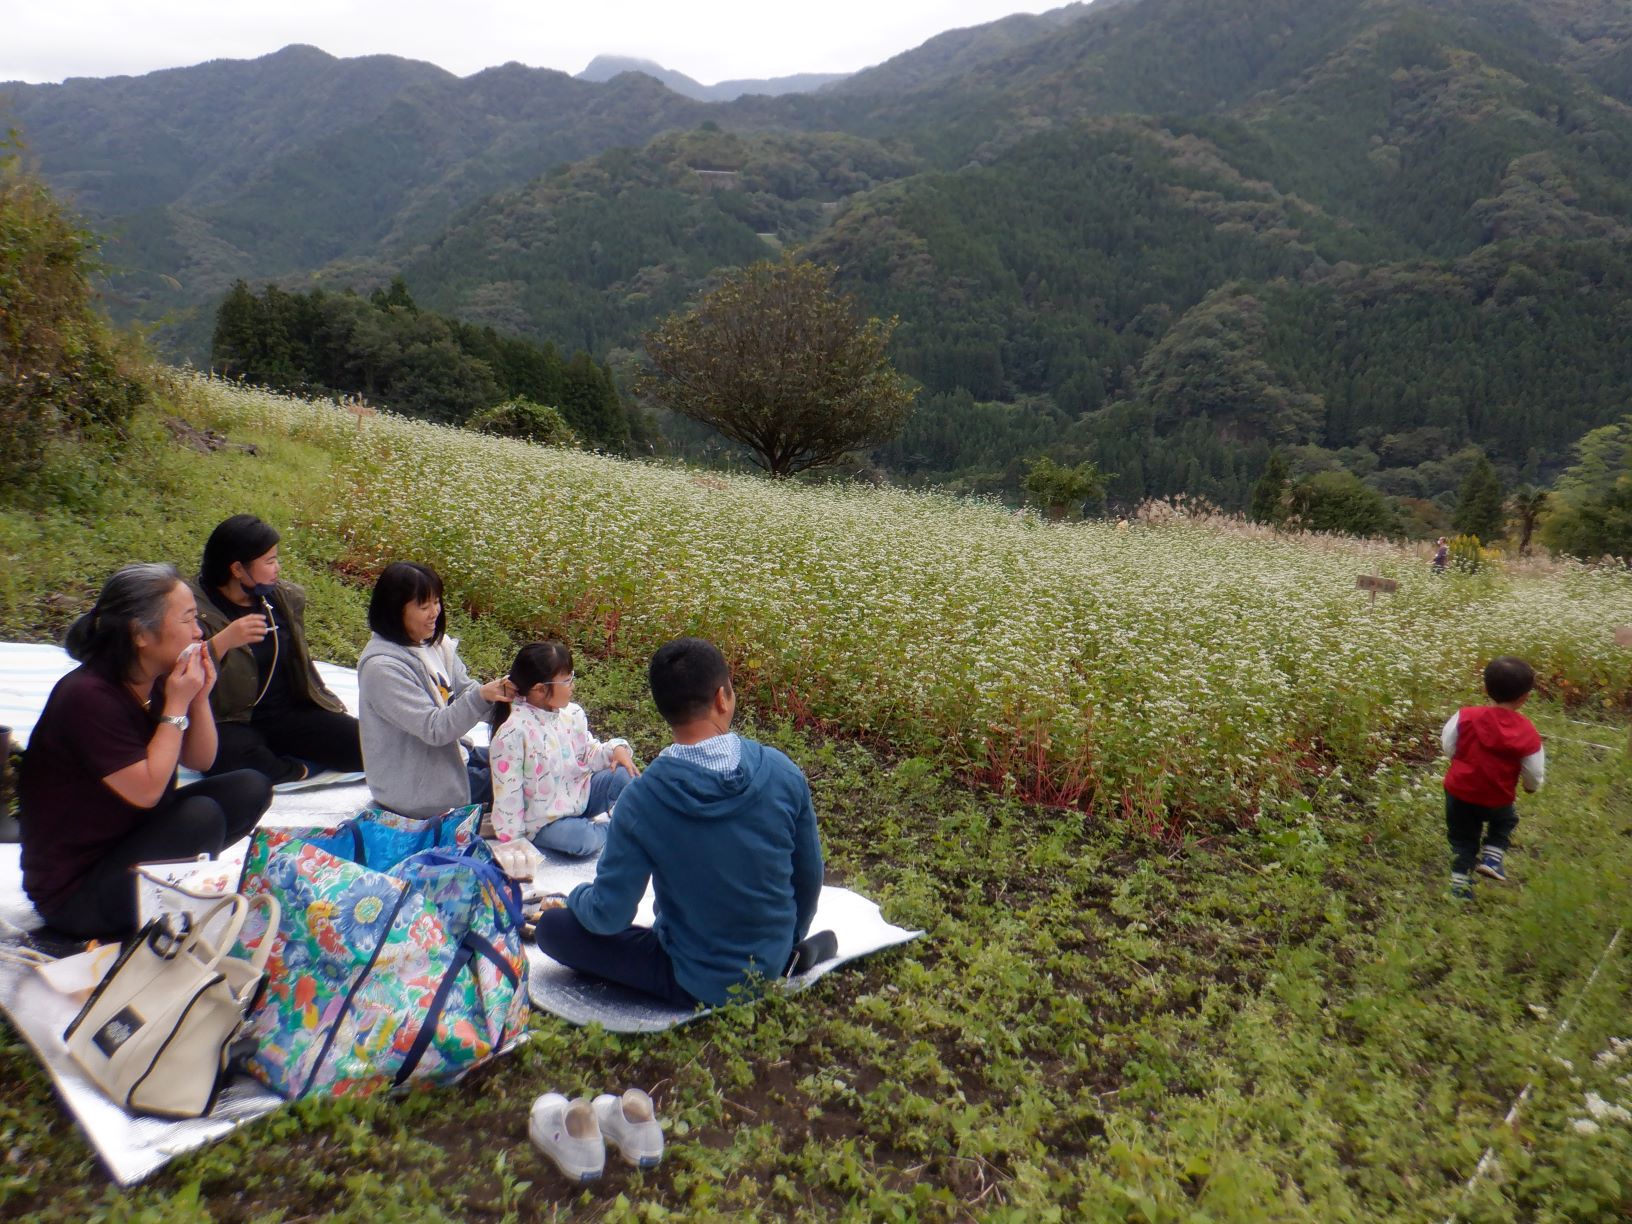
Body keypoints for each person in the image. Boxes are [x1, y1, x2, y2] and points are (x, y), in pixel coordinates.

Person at [534, 637, 825, 1008]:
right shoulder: (781, 770)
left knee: (554, 929)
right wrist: (791, 936)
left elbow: (609, 915)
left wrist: (572, 898)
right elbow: (808, 878)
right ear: (723, 698)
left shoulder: (641, 800)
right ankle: (793, 955)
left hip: (694, 979)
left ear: (663, 709)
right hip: (772, 958)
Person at [18, 563, 273, 938]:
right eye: (187, 620)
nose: (199, 632)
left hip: (128, 839)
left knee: (250, 787)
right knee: (200, 816)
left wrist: (199, 697)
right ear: (140, 633)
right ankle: (156, 900)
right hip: (75, 893)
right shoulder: (87, 696)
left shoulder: (149, 677)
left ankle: (170, 884)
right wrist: (175, 705)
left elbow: (201, 760)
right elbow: (149, 790)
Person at [190, 514, 362, 785]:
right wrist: (222, 642)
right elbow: (176, 671)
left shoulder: (278, 598)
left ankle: (283, 761)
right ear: (237, 569)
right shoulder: (194, 609)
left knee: (365, 744)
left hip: (285, 715)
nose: (277, 568)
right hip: (230, 721)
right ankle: (297, 771)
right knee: (228, 762)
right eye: (269, 561)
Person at [356, 562, 512, 819]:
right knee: (530, 776)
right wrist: (482, 695)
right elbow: (435, 729)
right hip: (419, 788)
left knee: (526, 757)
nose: (435, 613)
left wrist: (506, 699)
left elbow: (463, 691)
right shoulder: (382, 668)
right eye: (424, 606)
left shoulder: (433, 646)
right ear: (395, 610)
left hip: (451, 759)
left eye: (436, 602)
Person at [489, 641, 639, 857]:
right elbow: (508, 794)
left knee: (625, 775)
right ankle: (618, 831)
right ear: (540, 689)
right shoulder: (514, 732)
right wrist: (513, 842)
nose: (573, 686)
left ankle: (614, 828)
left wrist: (616, 750)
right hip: (545, 821)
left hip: (581, 796)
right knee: (582, 840)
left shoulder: (572, 714)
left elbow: (590, 753)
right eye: (567, 680)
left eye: (572, 677)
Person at [1442, 655, 1545, 899]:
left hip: (1459, 792)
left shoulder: (1465, 716)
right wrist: (1531, 787)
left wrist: (1458, 758)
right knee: (1505, 821)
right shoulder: (1527, 731)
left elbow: (1448, 743)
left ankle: (1460, 885)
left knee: (1462, 839)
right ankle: (1492, 856)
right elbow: (1534, 770)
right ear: (1525, 697)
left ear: (1485, 688)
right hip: (1496, 796)